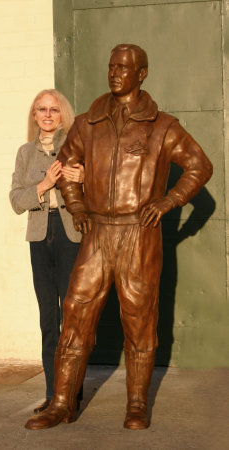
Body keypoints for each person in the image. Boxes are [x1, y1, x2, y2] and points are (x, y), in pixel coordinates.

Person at [25, 45, 213, 431]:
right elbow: (65, 166)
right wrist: (76, 208)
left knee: (139, 320)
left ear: (141, 73)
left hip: (137, 235)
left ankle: (137, 404)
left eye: (124, 68)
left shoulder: (163, 126)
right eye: (111, 66)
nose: (115, 73)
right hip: (96, 233)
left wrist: (167, 202)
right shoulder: (88, 123)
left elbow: (200, 166)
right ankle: (61, 403)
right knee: (75, 313)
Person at [10, 89, 84, 414]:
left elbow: (96, 195)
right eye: (42, 109)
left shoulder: (76, 148)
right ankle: (54, 395)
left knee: (72, 318)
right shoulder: (25, 153)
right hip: (40, 238)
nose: (48, 114)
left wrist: (83, 178)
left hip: (70, 236)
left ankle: (72, 394)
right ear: (34, 115)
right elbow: (15, 200)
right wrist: (43, 185)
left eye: (54, 109)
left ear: (62, 114)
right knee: (48, 319)